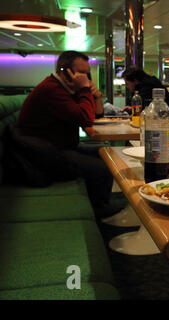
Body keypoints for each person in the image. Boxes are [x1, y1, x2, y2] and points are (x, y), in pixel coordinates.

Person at [15, 50, 121, 218]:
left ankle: (101, 200)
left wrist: (95, 96)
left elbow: (97, 115)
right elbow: (85, 119)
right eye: (82, 73)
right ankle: (99, 209)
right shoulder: (51, 89)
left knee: (106, 152)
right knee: (101, 168)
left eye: (88, 74)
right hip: (43, 157)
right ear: (65, 71)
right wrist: (84, 90)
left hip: (58, 148)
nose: (86, 78)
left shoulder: (64, 89)